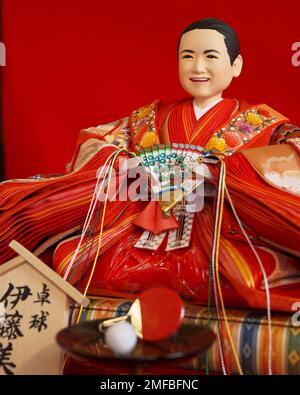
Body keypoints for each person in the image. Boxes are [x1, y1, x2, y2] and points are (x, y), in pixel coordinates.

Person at [1, 18, 300, 313]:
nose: (197, 67)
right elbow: (95, 141)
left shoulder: (259, 123)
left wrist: (227, 173)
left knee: (236, 275)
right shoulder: (149, 117)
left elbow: (292, 151)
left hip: (217, 229)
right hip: (139, 227)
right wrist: (126, 167)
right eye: (187, 56)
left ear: (236, 65)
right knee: (84, 263)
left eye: (210, 56)